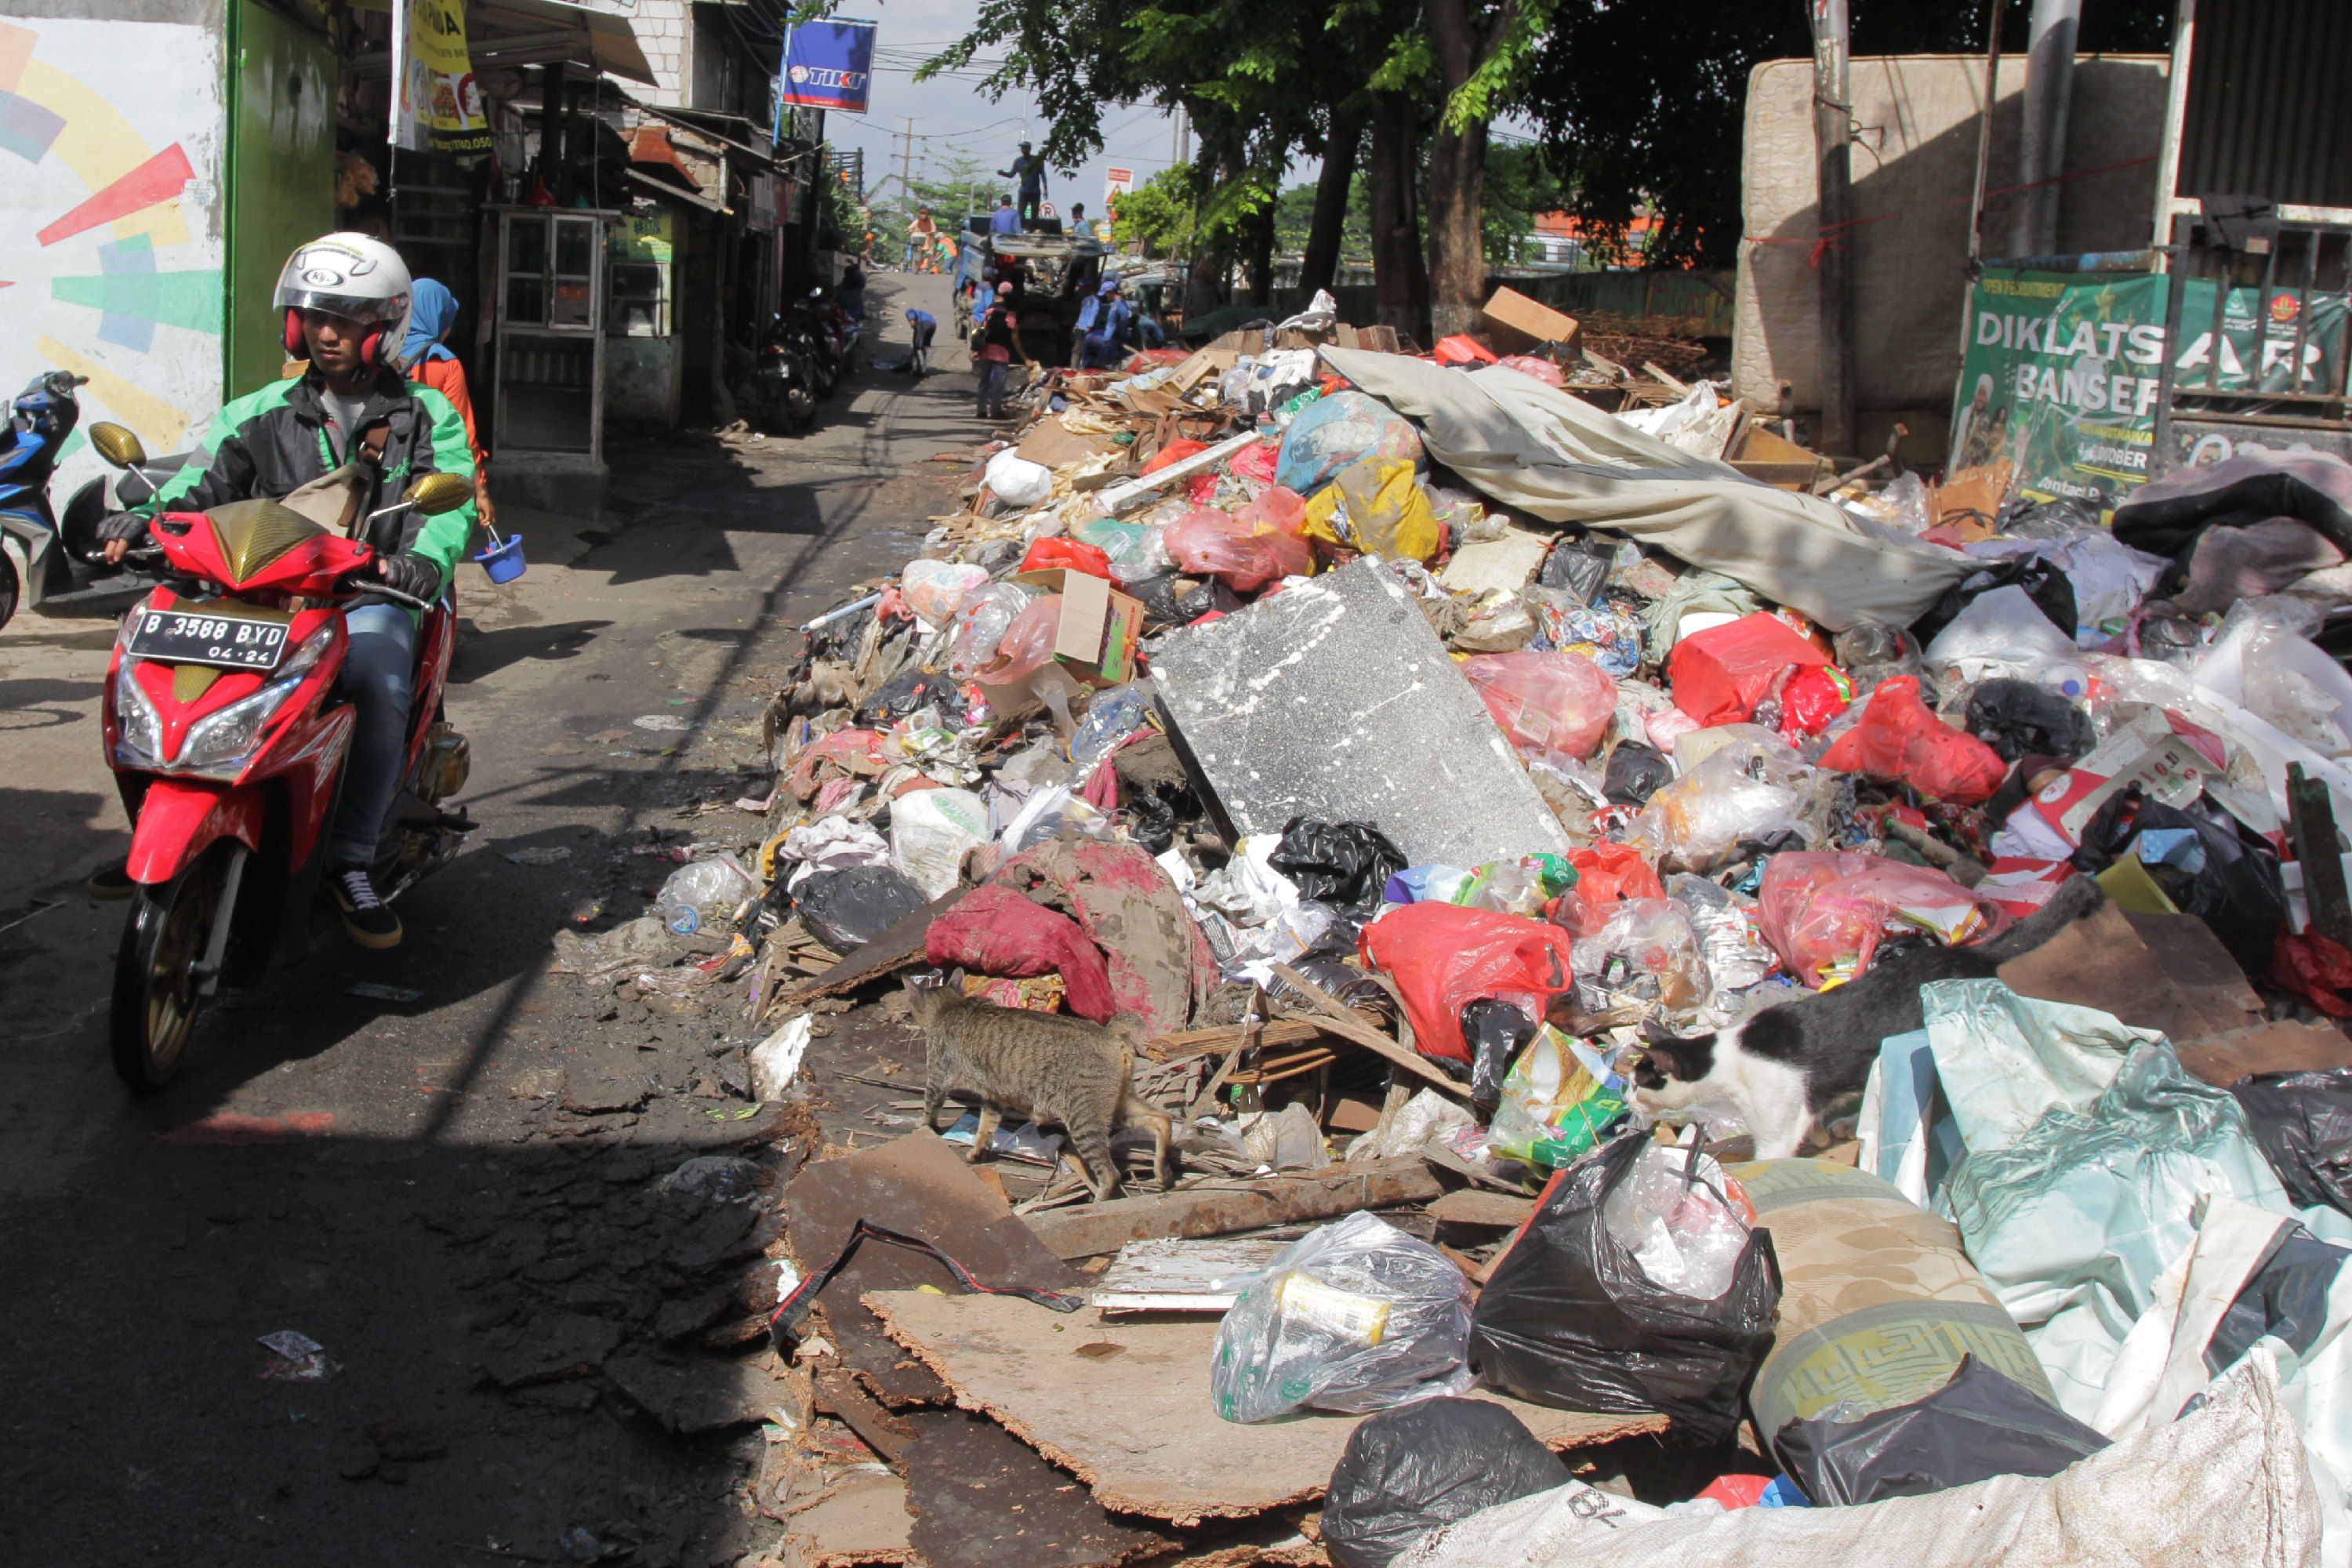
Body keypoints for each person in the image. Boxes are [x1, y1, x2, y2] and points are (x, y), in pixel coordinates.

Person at [95, 233, 476, 947]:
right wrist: (142, 519)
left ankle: (350, 858)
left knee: (374, 674)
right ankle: (166, 816)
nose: (327, 334)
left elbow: (448, 504)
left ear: (385, 324)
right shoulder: (257, 410)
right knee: (148, 658)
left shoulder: (426, 414)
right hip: (255, 597)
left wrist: (416, 565)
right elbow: (195, 491)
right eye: (313, 316)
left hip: (363, 595)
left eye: (347, 319)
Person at [399, 278, 493, 534]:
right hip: (430, 475)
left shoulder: (379, 353)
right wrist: (480, 490)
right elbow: (463, 432)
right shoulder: (445, 363)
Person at [973, 281, 1034, 421]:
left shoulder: (990, 312)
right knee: (998, 385)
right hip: (1002, 354)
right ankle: (996, 411)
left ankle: (981, 410)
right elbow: (1015, 340)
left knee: (984, 382)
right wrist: (1025, 358)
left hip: (986, 352)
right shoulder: (1011, 317)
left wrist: (976, 349)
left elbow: (981, 331)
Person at [1079, 278, 1136, 370]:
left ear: (1111, 292)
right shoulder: (1114, 304)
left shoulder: (1120, 304)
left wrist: (1122, 339)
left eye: (1106, 294)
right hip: (1107, 339)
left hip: (1113, 341)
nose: (1106, 297)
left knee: (1107, 365)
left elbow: (1124, 322)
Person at [998, 142, 1047, 230]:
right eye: (1022, 148)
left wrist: (1045, 188)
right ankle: (1021, 230)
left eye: (1025, 148)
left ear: (1029, 149)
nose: (1023, 150)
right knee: (1021, 214)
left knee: (1034, 215)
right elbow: (1011, 174)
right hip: (1024, 191)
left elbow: (1043, 175)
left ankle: (1032, 230)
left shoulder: (1037, 161)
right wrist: (1003, 173)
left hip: (1035, 192)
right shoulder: (1018, 161)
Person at [904, 307, 936, 377]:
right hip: (933, 325)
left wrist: (912, 323)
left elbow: (912, 319)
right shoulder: (919, 313)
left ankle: (921, 369)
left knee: (919, 345)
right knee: (924, 345)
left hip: (924, 323)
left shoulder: (909, 312)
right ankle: (920, 364)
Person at [907, 205, 938, 271]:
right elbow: (912, 226)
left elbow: (934, 229)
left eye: (924, 215)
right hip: (920, 239)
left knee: (930, 253)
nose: (923, 216)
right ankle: (917, 266)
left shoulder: (930, 221)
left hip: (929, 239)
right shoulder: (918, 221)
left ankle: (931, 267)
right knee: (918, 251)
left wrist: (930, 232)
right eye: (922, 214)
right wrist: (908, 229)